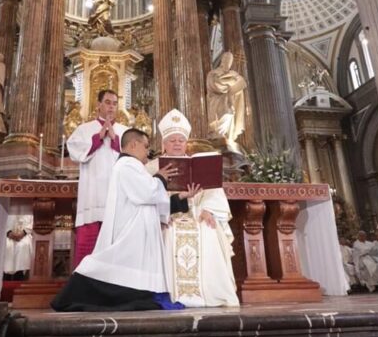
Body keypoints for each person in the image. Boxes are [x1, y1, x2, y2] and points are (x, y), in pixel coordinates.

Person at [52, 129, 200, 311]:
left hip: (139, 227)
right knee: (120, 263)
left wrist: (181, 197)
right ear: (133, 145)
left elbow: (153, 201)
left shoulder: (131, 166)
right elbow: (148, 192)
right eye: (146, 147)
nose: (148, 152)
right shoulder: (127, 165)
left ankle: (144, 297)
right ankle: (73, 296)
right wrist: (161, 176)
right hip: (132, 229)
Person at [148, 109, 238, 308]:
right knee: (169, 232)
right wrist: (164, 214)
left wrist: (208, 210)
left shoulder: (198, 164)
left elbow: (214, 191)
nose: (178, 143)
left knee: (209, 230)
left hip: (198, 215)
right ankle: (172, 295)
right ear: (163, 144)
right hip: (167, 219)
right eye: (172, 140)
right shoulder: (152, 167)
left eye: (181, 140)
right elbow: (147, 196)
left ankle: (210, 294)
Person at [66, 89, 128, 267]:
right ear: (99, 104)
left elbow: (134, 157)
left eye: (114, 103)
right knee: (90, 246)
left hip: (118, 195)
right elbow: (75, 151)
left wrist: (115, 139)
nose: (111, 107)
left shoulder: (125, 132)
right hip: (92, 195)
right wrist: (98, 138)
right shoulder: (84, 130)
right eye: (107, 102)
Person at [2, 208, 33, 280]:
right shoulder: (8, 207)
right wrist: (9, 233)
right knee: (7, 246)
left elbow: (31, 224)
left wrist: (23, 233)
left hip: (24, 236)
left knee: (24, 245)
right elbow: (2, 222)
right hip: (9, 236)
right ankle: (6, 275)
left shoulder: (29, 209)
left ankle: (20, 274)